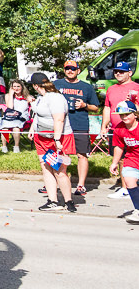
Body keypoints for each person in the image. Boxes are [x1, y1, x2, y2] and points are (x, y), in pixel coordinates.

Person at [29, 71, 77, 212]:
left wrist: (57, 139)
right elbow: (37, 115)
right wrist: (33, 128)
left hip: (58, 137)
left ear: (36, 86)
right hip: (42, 136)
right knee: (46, 167)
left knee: (59, 170)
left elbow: (59, 119)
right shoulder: (40, 98)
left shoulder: (55, 98)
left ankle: (68, 201)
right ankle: (53, 200)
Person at [53, 59, 99, 197]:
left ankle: (81, 185)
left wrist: (84, 105)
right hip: (61, 125)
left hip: (80, 124)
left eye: (73, 69)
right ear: (64, 70)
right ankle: (56, 182)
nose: (70, 71)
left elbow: (96, 107)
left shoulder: (87, 87)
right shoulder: (56, 84)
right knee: (59, 154)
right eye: (67, 68)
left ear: (78, 70)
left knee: (81, 155)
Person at [101, 58, 139, 196]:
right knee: (121, 157)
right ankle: (125, 188)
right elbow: (107, 108)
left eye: (122, 72)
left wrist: (134, 102)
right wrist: (103, 126)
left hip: (134, 129)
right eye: (116, 71)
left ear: (130, 72)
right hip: (117, 129)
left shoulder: (136, 87)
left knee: (133, 156)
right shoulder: (111, 89)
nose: (118, 74)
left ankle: (132, 186)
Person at [107, 100, 139, 223]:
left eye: (127, 114)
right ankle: (138, 210)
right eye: (121, 115)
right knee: (129, 180)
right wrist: (114, 163)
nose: (124, 117)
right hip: (132, 158)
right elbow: (119, 147)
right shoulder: (119, 129)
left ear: (135, 114)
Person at [0, 77, 32, 153]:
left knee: (16, 127)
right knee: (4, 128)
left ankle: (16, 146)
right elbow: (10, 107)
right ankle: (4, 146)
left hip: (22, 117)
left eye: (18, 86)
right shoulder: (8, 96)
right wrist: (11, 95)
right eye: (14, 86)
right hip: (10, 116)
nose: (16, 88)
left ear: (22, 87)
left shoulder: (27, 96)